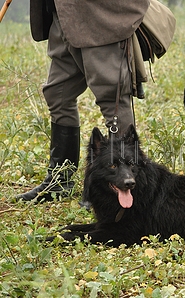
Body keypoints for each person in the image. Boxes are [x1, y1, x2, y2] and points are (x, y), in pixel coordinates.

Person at [16, 0, 150, 202]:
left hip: (98, 17)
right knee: (57, 94)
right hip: (61, 14)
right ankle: (60, 181)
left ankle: (123, 182)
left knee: (111, 97)